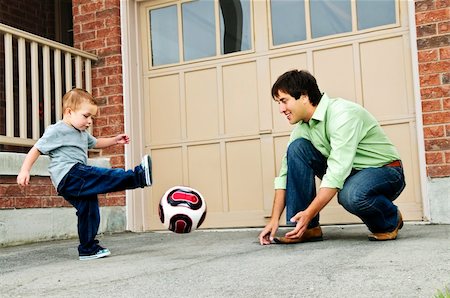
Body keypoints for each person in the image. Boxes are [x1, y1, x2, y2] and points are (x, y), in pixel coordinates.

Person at [258, 70, 405, 245]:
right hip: (351, 173)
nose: (281, 110)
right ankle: (307, 228)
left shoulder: (343, 113)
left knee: (351, 195)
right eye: (278, 103)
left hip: (385, 171)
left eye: (284, 101)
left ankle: (389, 219)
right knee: (297, 149)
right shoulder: (302, 129)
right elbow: (284, 174)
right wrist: (274, 220)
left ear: (304, 96)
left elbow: (336, 171)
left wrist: (310, 210)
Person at [17, 88, 152, 260]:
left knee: (88, 209)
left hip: (72, 180)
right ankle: (138, 176)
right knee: (102, 175)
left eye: (92, 118)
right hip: (70, 174)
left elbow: (96, 143)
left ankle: (88, 249)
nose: (89, 121)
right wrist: (24, 170)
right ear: (69, 112)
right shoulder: (57, 130)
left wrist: (114, 140)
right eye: (86, 116)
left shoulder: (81, 133)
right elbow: (37, 148)